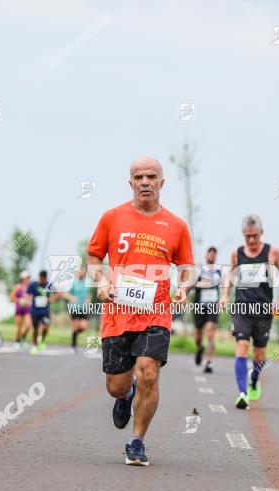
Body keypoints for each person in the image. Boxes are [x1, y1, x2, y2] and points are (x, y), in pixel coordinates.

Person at [86, 156, 194, 466]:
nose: (144, 181)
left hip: (156, 313)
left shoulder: (176, 226)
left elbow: (186, 265)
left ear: (162, 182)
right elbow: (94, 258)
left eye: (151, 176)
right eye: (138, 177)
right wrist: (102, 282)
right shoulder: (112, 217)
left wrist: (184, 287)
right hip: (118, 314)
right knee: (115, 385)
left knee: (149, 372)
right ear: (130, 183)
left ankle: (137, 440)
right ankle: (125, 394)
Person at [220, 214, 279, 410]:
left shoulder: (272, 252)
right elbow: (230, 276)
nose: (251, 240)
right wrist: (225, 295)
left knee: (259, 354)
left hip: (264, 310)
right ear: (243, 234)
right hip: (241, 308)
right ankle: (242, 393)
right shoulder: (236, 253)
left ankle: (254, 378)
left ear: (261, 233)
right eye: (247, 236)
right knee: (241, 346)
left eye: (255, 236)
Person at [193, 246, 222, 373]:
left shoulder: (219, 270)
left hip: (213, 305)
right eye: (210, 254)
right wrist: (201, 283)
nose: (212, 256)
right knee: (198, 335)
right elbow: (191, 283)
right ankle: (200, 348)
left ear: (216, 257)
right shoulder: (199, 269)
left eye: (214, 254)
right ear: (206, 255)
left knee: (210, 333)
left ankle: (209, 362)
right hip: (199, 304)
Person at [61, 265, 93, 352]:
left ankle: (74, 334)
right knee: (76, 326)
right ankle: (73, 345)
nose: (81, 273)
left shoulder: (88, 282)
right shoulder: (73, 282)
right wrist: (72, 298)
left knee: (84, 326)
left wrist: (88, 300)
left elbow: (89, 294)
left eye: (83, 271)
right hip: (74, 307)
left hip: (84, 308)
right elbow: (65, 294)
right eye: (80, 271)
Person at [27, 270, 52, 355]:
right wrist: (27, 300)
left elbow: (58, 293)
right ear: (40, 277)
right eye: (42, 279)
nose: (43, 280)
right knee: (35, 329)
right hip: (35, 310)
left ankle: (42, 340)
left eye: (45, 279)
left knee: (46, 327)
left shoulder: (49, 285)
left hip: (45, 311)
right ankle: (34, 345)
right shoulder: (33, 285)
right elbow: (27, 294)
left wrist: (51, 299)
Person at [9, 271, 31, 348]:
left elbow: (31, 297)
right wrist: (19, 301)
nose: (28, 279)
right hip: (19, 309)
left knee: (28, 325)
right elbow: (11, 297)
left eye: (28, 278)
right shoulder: (18, 287)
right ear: (22, 278)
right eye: (26, 278)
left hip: (27, 309)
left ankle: (23, 338)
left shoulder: (30, 287)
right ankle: (17, 341)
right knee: (19, 327)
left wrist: (29, 301)